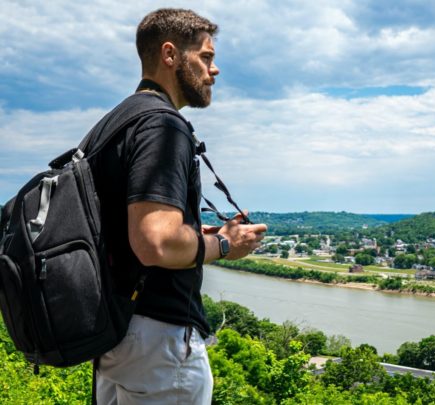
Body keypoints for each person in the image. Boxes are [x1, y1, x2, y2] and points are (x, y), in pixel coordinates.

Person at [91, 8, 267, 404]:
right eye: (205, 57)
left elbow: (130, 230)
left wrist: (203, 233)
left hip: (116, 332)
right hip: (159, 340)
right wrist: (225, 245)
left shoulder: (112, 125)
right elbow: (156, 243)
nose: (214, 70)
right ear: (170, 55)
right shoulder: (162, 124)